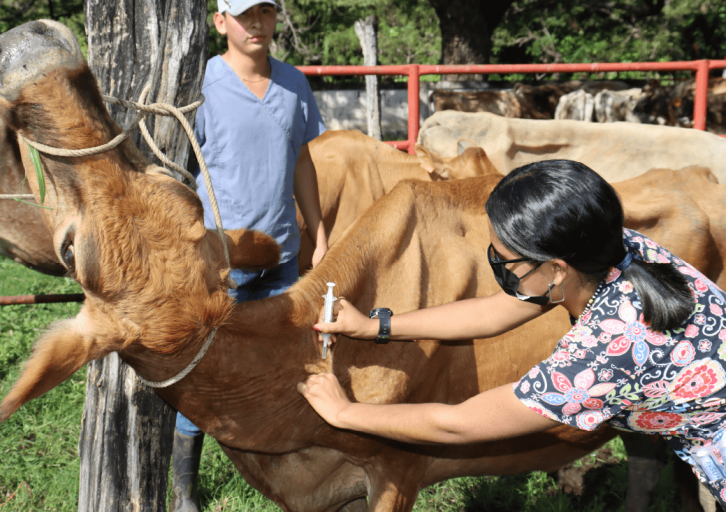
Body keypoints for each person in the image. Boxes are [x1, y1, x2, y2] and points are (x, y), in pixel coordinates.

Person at [298, 159, 726, 507]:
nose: (497, 268)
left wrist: (344, 413)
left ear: (556, 268)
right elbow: (495, 313)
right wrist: (377, 325)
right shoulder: (610, 247)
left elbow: (457, 424)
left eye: (507, 261)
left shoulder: (597, 360)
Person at [170, 1, 328, 510]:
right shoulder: (200, 86)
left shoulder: (294, 84)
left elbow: (301, 159)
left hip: (280, 252)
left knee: (286, 360)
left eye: (265, 12)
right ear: (221, 22)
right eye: (244, 15)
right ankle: (183, 488)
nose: (257, 24)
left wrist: (317, 232)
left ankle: (291, 471)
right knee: (205, 367)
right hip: (219, 262)